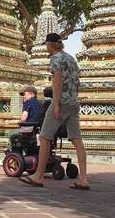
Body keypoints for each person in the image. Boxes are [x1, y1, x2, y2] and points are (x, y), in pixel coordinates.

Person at [20, 33, 89, 190]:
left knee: (44, 137)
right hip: (73, 103)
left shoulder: (55, 59)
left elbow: (57, 81)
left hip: (61, 102)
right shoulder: (71, 59)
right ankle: (83, 179)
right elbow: (77, 81)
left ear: (50, 45)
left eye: (46, 45)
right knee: (77, 139)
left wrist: (56, 104)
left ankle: (38, 176)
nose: (46, 48)